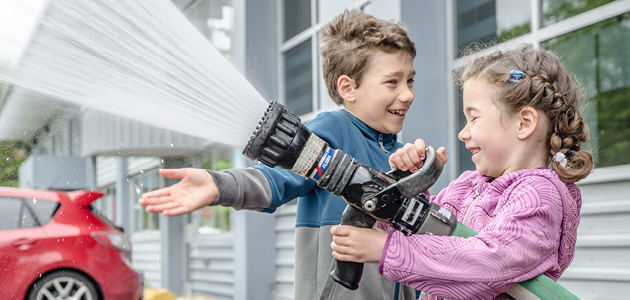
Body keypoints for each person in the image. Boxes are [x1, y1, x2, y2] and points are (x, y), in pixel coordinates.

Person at [140, 9, 419, 300]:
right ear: (348, 88)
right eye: (393, 82)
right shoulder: (332, 132)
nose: (408, 93)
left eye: (410, 80)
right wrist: (219, 185)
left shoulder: (400, 154)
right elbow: (277, 178)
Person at [329, 45, 594, 300]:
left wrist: (386, 250)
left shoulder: (540, 194)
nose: (462, 133)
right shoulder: (467, 186)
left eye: (473, 118)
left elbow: (490, 263)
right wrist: (402, 186)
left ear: (524, 123)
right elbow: (419, 232)